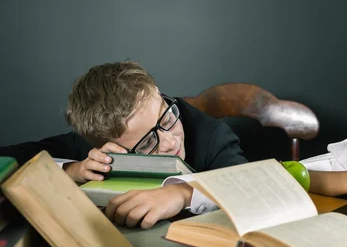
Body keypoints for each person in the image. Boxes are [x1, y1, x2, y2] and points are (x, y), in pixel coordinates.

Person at [0, 61, 248, 229]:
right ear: (111, 147)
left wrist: (182, 194)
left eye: (167, 117)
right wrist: (72, 171)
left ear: (158, 94)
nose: (170, 141)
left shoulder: (213, 135)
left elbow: (248, 184)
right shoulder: (96, 145)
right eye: (148, 142)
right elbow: (8, 159)